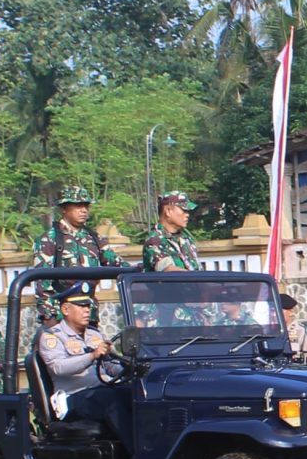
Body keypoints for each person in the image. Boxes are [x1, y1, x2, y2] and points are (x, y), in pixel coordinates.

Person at [36, 283, 131, 444]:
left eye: (87, 306)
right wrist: (92, 356)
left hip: (99, 391)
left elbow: (108, 365)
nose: (87, 310)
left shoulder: (94, 334)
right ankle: (138, 455)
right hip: (72, 397)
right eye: (81, 306)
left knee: (135, 393)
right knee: (110, 398)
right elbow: (58, 367)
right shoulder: (52, 337)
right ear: (65, 309)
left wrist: (127, 369)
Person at [32, 187, 106, 322]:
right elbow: (43, 285)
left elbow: (114, 262)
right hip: (62, 316)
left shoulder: (94, 238)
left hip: (89, 314)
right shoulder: (49, 239)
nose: (84, 210)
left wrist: (139, 270)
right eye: (78, 206)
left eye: (86, 206)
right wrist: (50, 319)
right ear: (64, 209)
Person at [141, 190, 204, 271]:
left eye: (188, 211)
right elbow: (170, 271)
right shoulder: (155, 241)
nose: (187, 214)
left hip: (194, 282)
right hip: (175, 283)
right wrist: (198, 279)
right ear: (168, 211)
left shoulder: (185, 238)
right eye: (184, 210)